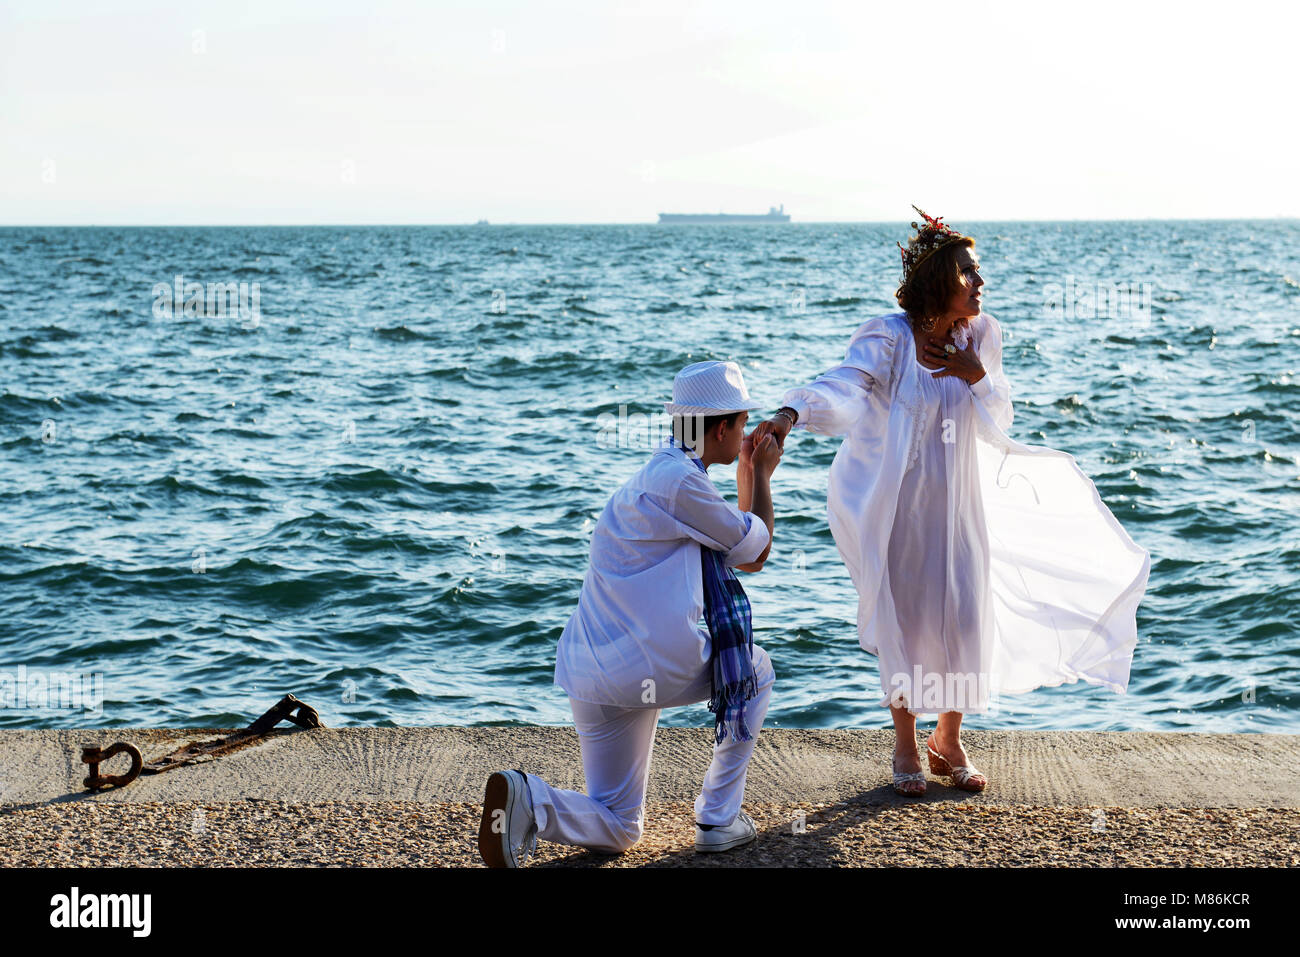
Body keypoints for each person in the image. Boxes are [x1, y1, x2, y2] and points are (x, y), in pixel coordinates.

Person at [751, 207, 1150, 797]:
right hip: (900, 506)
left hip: (960, 501)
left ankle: (950, 736)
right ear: (941, 280)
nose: (980, 282)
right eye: (969, 271)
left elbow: (998, 420)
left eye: (978, 270)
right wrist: (792, 413)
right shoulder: (887, 336)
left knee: (965, 614)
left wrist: (975, 375)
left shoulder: (980, 337)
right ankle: (908, 743)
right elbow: (846, 388)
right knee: (906, 618)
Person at [478, 360, 783, 867]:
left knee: (619, 826)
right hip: (644, 665)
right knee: (755, 668)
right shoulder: (684, 486)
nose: (747, 432)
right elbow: (756, 549)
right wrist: (760, 474)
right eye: (743, 421)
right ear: (723, 427)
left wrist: (746, 470)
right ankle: (718, 818)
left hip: (590, 670)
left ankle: (529, 799)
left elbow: (737, 543)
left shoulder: (661, 476)